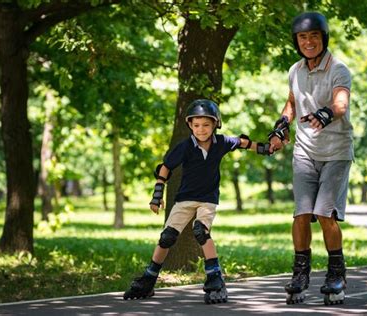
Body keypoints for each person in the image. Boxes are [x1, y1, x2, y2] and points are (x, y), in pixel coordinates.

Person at [123, 99, 271, 304]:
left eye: (206, 125)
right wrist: (157, 194)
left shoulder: (221, 143)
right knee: (167, 237)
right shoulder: (184, 147)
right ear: (190, 126)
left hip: (208, 200)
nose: (201, 130)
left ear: (215, 124)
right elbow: (165, 167)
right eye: (196, 125)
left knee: (201, 231)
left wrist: (266, 148)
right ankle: (148, 278)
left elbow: (242, 142)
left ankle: (215, 278)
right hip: (185, 198)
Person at [268, 12, 353, 305]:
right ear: (296, 41)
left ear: (323, 37)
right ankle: (301, 273)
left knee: (323, 213)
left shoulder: (339, 69)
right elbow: (291, 102)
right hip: (304, 151)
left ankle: (336, 273)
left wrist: (325, 113)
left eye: (314, 36)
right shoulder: (295, 70)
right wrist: (281, 125)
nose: (308, 42)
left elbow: (341, 102)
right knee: (301, 213)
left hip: (336, 153)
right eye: (302, 37)